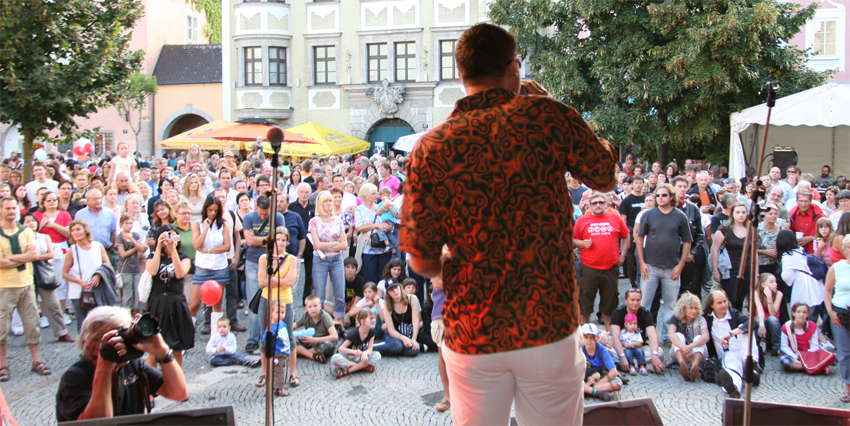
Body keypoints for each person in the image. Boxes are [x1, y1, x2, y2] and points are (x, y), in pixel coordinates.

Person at [400, 24, 617, 425]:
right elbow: (604, 173)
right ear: (513, 69)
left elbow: (421, 262)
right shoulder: (547, 117)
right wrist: (551, 105)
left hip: (473, 330)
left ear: (462, 74)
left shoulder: (431, 148)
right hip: (547, 324)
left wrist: (454, 260)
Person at [55, 306, 188, 421]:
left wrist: (163, 352)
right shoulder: (74, 378)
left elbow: (179, 393)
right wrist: (105, 368)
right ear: (94, 347)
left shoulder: (132, 365)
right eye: (120, 335)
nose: (127, 341)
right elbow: (98, 423)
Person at [0, 198, 52, 382]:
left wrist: (11, 258)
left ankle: (36, 360)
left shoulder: (26, 231)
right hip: (4, 286)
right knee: (2, 328)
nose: (11, 211)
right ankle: (3, 364)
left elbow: (34, 255)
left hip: (26, 284)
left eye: (13, 208)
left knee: (32, 324)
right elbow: (0, 263)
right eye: (7, 208)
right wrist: (23, 257)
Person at [637, 184, 693, 333]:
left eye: (664, 195)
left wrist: (681, 265)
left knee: (671, 304)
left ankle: (668, 336)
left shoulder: (680, 216)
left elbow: (687, 242)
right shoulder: (648, 214)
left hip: (672, 268)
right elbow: (640, 238)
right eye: (658, 195)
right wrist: (642, 263)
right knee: (645, 303)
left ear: (672, 197)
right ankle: (642, 334)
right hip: (651, 267)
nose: (660, 198)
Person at [574, 191, 629, 328]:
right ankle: (585, 332)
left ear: (606, 204)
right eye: (595, 203)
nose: (598, 205)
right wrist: (582, 244)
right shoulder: (582, 220)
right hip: (588, 267)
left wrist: (623, 254)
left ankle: (610, 334)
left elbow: (626, 236)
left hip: (610, 267)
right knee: (585, 301)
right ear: (589, 205)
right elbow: (573, 239)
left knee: (609, 301)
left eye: (601, 202)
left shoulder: (615, 218)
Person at [144, 225, 194, 367]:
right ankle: (151, 382)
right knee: (154, 347)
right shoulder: (152, 256)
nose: (170, 240)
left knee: (177, 346)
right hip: (157, 302)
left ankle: (176, 380)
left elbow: (180, 273)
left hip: (175, 302)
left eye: (173, 236)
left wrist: (173, 251)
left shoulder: (184, 256)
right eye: (167, 236)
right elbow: (153, 271)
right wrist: (158, 248)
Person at [256, 227, 299, 389]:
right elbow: (261, 282)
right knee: (264, 336)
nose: (280, 243)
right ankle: (265, 373)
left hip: (284, 301)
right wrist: (278, 279)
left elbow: (290, 282)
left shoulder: (291, 259)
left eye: (283, 240)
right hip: (267, 300)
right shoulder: (263, 258)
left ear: (287, 242)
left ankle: (293, 373)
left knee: (288, 336)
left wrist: (271, 279)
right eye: (277, 240)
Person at [704, 289, 760, 399]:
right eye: (719, 303)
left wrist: (731, 333)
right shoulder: (707, 317)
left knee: (745, 331)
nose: (723, 305)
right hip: (729, 356)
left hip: (745, 354)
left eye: (725, 301)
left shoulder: (734, 314)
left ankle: (752, 368)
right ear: (711, 305)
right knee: (733, 370)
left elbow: (753, 323)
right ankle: (734, 388)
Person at [189, 195, 231, 334]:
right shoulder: (197, 224)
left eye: (215, 210)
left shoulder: (223, 225)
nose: (212, 213)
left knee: (217, 304)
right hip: (203, 267)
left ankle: (215, 336)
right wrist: (206, 228)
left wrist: (209, 250)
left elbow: (227, 246)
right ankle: (188, 334)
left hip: (219, 266)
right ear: (205, 210)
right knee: (194, 304)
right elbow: (196, 244)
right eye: (210, 210)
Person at [62, 220, 110, 333]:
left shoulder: (97, 246)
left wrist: (98, 275)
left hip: (96, 289)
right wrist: (79, 281)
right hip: (78, 291)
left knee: (99, 322)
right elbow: (64, 273)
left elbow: (107, 264)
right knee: (82, 323)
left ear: (85, 231)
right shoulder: (72, 250)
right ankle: (84, 349)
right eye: (72, 230)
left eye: (78, 229)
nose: (75, 232)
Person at [309, 191, 348, 322]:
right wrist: (335, 244)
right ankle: (319, 323)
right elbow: (317, 245)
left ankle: (339, 323)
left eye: (330, 201)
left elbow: (344, 244)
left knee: (340, 294)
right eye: (325, 201)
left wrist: (329, 246)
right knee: (319, 295)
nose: (328, 204)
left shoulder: (338, 220)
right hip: (321, 260)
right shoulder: (314, 221)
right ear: (320, 203)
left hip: (337, 259)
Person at [375, 279, 436, 356]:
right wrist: (404, 339)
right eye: (391, 290)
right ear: (388, 293)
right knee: (398, 347)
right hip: (394, 334)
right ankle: (371, 348)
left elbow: (415, 321)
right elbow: (391, 330)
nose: (395, 291)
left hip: (409, 332)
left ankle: (391, 347)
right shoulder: (387, 307)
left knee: (414, 351)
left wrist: (413, 339)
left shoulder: (412, 299)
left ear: (400, 288)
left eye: (396, 288)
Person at [777, 229, 826, 324]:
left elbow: (787, 277)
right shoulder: (801, 249)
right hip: (815, 283)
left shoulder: (787, 256)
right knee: (812, 314)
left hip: (803, 287)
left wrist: (789, 281)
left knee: (802, 316)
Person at [711, 202, 753, 311]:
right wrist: (715, 271)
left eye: (743, 212)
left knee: (741, 300)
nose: (741, 215)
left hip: (747, 269)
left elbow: (754, 252)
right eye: (738, 212)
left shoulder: (751, 230)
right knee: (731, 300)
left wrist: (755, 272)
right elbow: (714, 250)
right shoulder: (724, 230)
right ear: (732, 214)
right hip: (730, 270)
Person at [780, 301, 836, 375]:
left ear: (808, 314)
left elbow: (814, 346)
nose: (801, 315)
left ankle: (810, 367)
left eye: (804, 312)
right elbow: (784, 346)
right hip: (794, 355)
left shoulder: (812, 326)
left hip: (809, 355)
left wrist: (807, 357)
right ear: (794, 313)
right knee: (784, 360)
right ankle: (819, 368)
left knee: (832, 356)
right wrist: (796, 357)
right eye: (799, 312)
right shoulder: (786, 327)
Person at [825, 236, 850, 402]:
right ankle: (848, 387)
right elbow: (827, 291)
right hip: (840, 313)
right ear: (844, 249)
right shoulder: (837, 267)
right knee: (845, 352)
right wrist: (830, 311)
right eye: (848, 247)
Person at [355, 183, 393, 284]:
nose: (377, 195)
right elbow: (359, 227)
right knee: (370, 277)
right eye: (373, 193)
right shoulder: (360, 209)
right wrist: (377, 225)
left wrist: (389, 226)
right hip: (369, 249)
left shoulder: (381, 207)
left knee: (384, 277)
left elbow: (390, 220)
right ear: (365, 196)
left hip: (384, 248)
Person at [667, 293, 709, 382]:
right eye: (691, 308)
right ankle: (683, 364)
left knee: (699, 338)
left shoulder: (701, 319)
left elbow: (706, 337)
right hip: (680, 352)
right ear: (684, 309)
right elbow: (671, 333)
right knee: (678, 336)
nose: (694, 311)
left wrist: (690, 347)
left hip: (697, 353)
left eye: (696, 308)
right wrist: (683, 348)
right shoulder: (676, 318)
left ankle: (695, 365)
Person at [331, 309, 381, 379]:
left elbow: (370, 348)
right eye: (370, 318)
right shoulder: (354, 334)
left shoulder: (372, 332)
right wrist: (354, 352)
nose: (373, 320)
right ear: (362, 321)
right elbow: (340, 349)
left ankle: (348, 371)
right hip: (347, 357)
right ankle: (363, 367)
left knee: (377, 355)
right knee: (335, 358)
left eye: (374, 318)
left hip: (358, 357)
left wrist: (365, 353)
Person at [581, 323, 622, 401]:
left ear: (598, 338)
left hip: (599, 378)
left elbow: (613, 372)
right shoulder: (579, 349)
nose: (589, 340)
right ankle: (595, 392)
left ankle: (588, 390)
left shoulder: (602, 350)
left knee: (617, 382)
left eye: (592, 338)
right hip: (583, 378)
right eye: (586, 337)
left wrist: (598, 383)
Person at [293, 294, 339, 364]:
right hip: (309, 343)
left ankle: (301, 352)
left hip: (321, 342)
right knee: (291, 341)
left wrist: (314, 340)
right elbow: (291, 327)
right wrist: (293, 336)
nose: (313, 309)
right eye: (310, 307)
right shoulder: (305, 316)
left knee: (328, 345)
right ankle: (313, 356)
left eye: (315, 306)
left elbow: (335, 337)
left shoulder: (325, 317)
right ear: (306, 308)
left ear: (320, 306)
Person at [116, 214, 146, 313]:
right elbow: (123, 254)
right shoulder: (119, 237)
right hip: (125, 270)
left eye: (130, 223)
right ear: (121, 224)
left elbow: (141, 249)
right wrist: (135, 248)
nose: (129, 225)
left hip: (136, 269)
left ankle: (137, 314)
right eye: (126, 223)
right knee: (128, 294)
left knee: (138, 294)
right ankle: (125, 314)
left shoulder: (135, 235)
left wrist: (133, 240)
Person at [262, 299, 292, 397]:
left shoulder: (282, 323)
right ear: (271, 313)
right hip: (277, 353)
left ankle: (281, 384)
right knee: (279, 371)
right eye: (278, 312)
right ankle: (278, 388)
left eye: (283, 312)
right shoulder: (272, 328)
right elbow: (267, 340)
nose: (280, 315)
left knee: (284, 369)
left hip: (285, 352)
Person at [754, 273, 784, 356]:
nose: (775, 284)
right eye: (772, 282)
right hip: (761, 316)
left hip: (772, 318)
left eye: (775, 281)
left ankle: (776, 346)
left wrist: (769, 297)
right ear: (763, 284)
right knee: (759, 320)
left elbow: (772, 313)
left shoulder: (779, 294)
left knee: (772, 319)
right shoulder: (756, 293)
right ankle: (757, 344)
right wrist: (762, 324)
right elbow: (760, 309)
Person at [789, 189, 823, 254]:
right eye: (801, 201)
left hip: (815, 252)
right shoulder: (791, 215)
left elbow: (826, 238)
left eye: (806, 201)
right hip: (796, 250)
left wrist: (813, 238)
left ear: (811, 201)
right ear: (797, 201)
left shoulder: (820, 216)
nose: (803, 204)